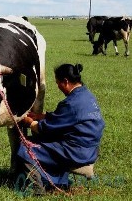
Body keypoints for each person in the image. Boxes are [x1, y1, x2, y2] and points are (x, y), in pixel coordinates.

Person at [13, 63, 105, 195]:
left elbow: (45, 128)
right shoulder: (87, 95)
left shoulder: (70, 103)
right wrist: (42, 116)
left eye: (58, 83)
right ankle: (58, 181)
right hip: (91, 149)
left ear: (66, 82)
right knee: (46, 143)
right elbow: (66, 118)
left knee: (26, 146)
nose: (58, 86)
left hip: (75, 152)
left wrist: (30, 123)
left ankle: (37, 189)